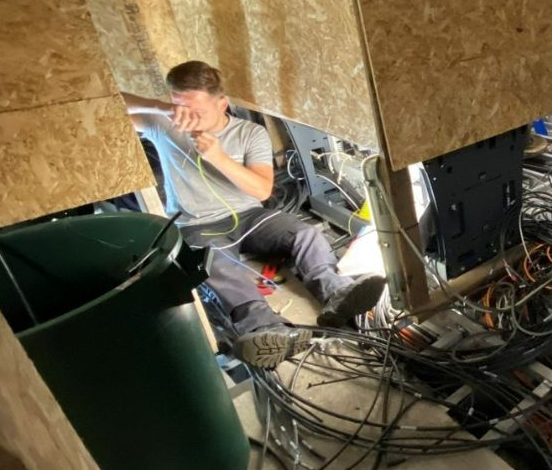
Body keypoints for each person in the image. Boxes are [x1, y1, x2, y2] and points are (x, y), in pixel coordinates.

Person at [122, 61, 385, 368]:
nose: (189, 118)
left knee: (304, 233)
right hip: (197, 224)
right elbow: (112, 102)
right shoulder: (163, 126)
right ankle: (264, 326)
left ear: (222, 104)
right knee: (215, 263)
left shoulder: (250, 133)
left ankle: (336, 292)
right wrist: (163, 109)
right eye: (182, 108)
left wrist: (218, 157)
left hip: (249, 215)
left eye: (198, 111)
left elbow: (261, 190)